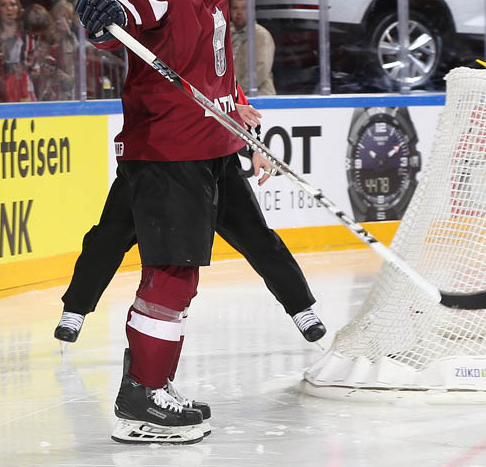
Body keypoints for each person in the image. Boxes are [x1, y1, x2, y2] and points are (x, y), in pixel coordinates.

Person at [75, 0, 331, 445]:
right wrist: (103, 20)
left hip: (213, 143)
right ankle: (143, 397)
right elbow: (124, 10)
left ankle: (145, 381)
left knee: (195, 267)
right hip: (169, 150)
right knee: (172, 273)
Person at [53, 102, 327, 347]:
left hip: (215, 162)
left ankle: (301, 308)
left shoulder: (213, 52)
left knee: (256, 236)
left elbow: (235, 102)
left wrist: (254, 145)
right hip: (153, 161)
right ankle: (75, 310)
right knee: (110, 235)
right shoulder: (158, 58)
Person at [229, 0, 276, 95]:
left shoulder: (260, 35)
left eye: (244, 8)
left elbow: (261, 68)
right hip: (235, 98)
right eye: (235, 8)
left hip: (260, 98)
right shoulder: (225, 33)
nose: (239, 12)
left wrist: (236, 93)